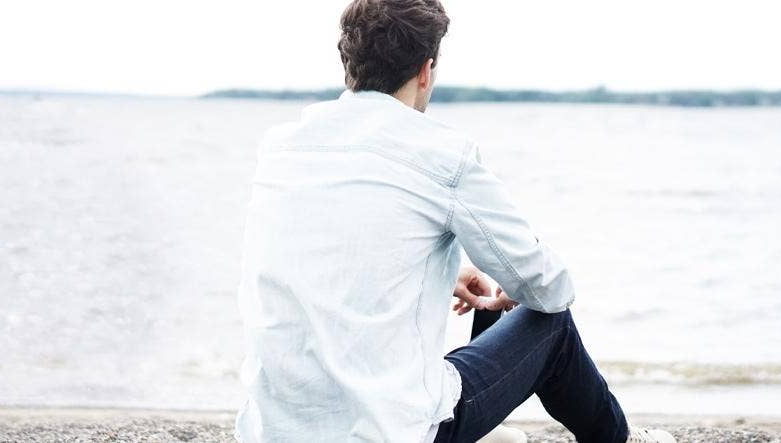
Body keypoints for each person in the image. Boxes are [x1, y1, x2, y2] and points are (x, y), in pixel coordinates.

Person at [235, 0, 675, 442]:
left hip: (273, 429)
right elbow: (549, 286)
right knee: (550, 324)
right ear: (426, 71)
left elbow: (320, 258)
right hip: (389, 432)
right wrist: (515, 287)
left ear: (348, 61)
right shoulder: (442, 154)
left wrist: (439, 272)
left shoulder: (282, 147)